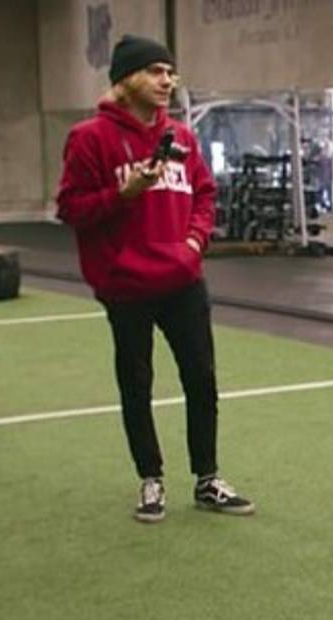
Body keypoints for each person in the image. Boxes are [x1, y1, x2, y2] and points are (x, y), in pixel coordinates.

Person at [56, 34, 253, 523]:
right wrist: (122, 194)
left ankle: (207, 479)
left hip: (182, 280)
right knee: (136, 384)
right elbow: (70, 209)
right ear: (125, 81)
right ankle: (151, 479)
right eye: (155, 72)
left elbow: (204, 194)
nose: (167, 81)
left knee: (202, 381)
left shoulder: (182, 138)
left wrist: (193, 243)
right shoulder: (89, 139)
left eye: (170, 72)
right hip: (125, 285)